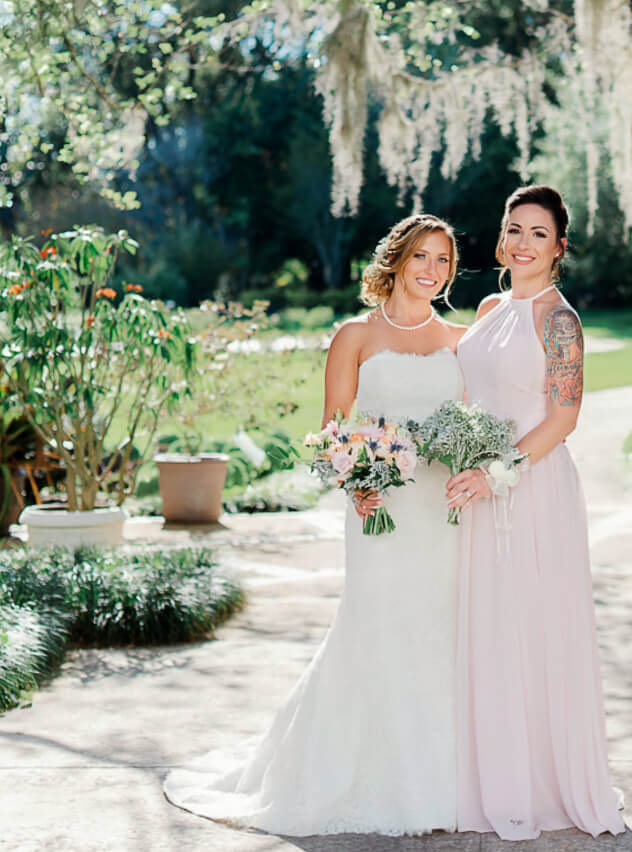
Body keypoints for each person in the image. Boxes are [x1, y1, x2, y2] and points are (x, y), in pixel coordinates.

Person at [164, 214, 466, 837]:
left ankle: (442, 775)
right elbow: (334, 427)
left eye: (443, 260)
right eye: (422, 256)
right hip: (380, 511)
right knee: (375, 626)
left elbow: (471, 420)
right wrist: (358, 482)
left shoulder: (460, 339)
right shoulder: (355, 335)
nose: (432, 270)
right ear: (396, 260)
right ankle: (354, 773)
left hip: (443, 514)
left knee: (439, 633)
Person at [447, 185, 626, 841]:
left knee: (530, 626)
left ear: (559, 248)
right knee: (485, 627)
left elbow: (563, 418)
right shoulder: (490, 307)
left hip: (531, 488)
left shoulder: (559, 321)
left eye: (538, 234)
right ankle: (484, 772)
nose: (523, 243)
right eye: (515, 229)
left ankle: (537, 781)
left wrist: (496, 473)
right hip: (475, 486)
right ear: (502, 237)